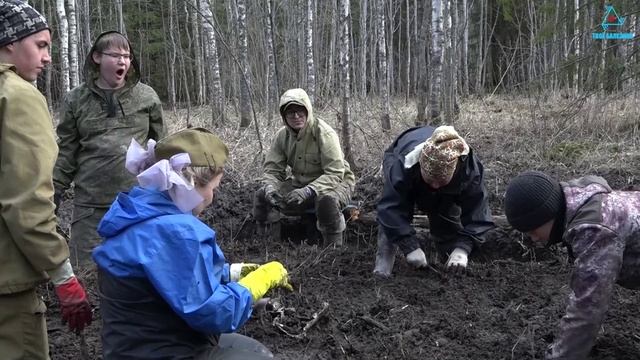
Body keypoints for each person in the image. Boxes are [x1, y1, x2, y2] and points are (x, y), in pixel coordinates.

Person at [93, 128, 292, 359]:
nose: (212, 198)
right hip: (164, 352)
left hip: (137, 345)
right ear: (191, 181)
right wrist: (259, 281)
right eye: (212, 189)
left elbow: (170, 276)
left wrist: (231, 273)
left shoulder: (140, 212)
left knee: (247, 348)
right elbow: (217, 314)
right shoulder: (177, 232)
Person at [0, 1, 92, 358]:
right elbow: (27, 203)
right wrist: (62, 274)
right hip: (8, 285)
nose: (48, 57)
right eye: (40, 45)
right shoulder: (18, 96)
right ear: (9, 43)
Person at [53, 30, 165, 266]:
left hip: (136, 205)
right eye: (115, 55)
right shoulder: (76, 100)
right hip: (90, 210)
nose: (123, 61)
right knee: (85, 273)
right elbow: (67, 153)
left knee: (139, 273)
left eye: (127, 56)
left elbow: (161, 149)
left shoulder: (147, 97)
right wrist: (54, 191)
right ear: (97, 57)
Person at [505, 171, 640, 360]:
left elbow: (587, 309)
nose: (534, 238)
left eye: (534, 230)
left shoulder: (595, 230)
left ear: (549, 214)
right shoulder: (580, 199)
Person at [373, 125, 495, 277]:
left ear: (454, 171)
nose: (434, 186)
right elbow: (390, 208)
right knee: (393, 218)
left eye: (440, 180)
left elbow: (479, 214)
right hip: (405, 163)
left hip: (449, 190)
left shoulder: (470, 172)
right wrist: (410, 246)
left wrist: (463, 249)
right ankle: (382, 270)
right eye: (430, 179)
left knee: (445, 217)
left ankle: (450, 267)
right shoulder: (404, 164)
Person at [254, 88, 356, 246]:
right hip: (301, 183)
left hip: (336, 182)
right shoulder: (282, 136)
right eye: (290, 112)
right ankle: (268, 245)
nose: (296, 116)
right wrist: (270, 187)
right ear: (284, 116)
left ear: (308, 111)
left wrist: (308, 191)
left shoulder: (324, 133)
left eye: (300, 111)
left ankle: (334, 250)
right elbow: (272, 170)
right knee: (263, 196)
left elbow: (335, 173)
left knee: (326, 203)